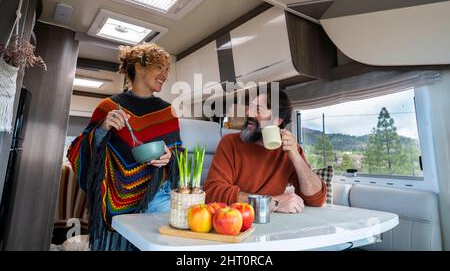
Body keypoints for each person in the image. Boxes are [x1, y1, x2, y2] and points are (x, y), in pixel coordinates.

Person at [67, 43, 181, 250]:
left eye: (167, 70)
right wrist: (102, 128)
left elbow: (178, 155)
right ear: (139, 67)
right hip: (113, 196)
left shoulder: (167, 112)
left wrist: (169, 157)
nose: (165, 74)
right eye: (160, 68)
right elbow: (79, 150)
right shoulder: (108, 107)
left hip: (157, 197)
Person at [204, 85, 326, 213]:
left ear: (277, 120)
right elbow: (213, 192)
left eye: (257, 110)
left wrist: (296, 156)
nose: (248, 113)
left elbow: (316, 199)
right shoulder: (230, 143)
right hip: (236, 221)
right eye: (250, 107)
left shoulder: (289, 152)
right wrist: (271, 203)